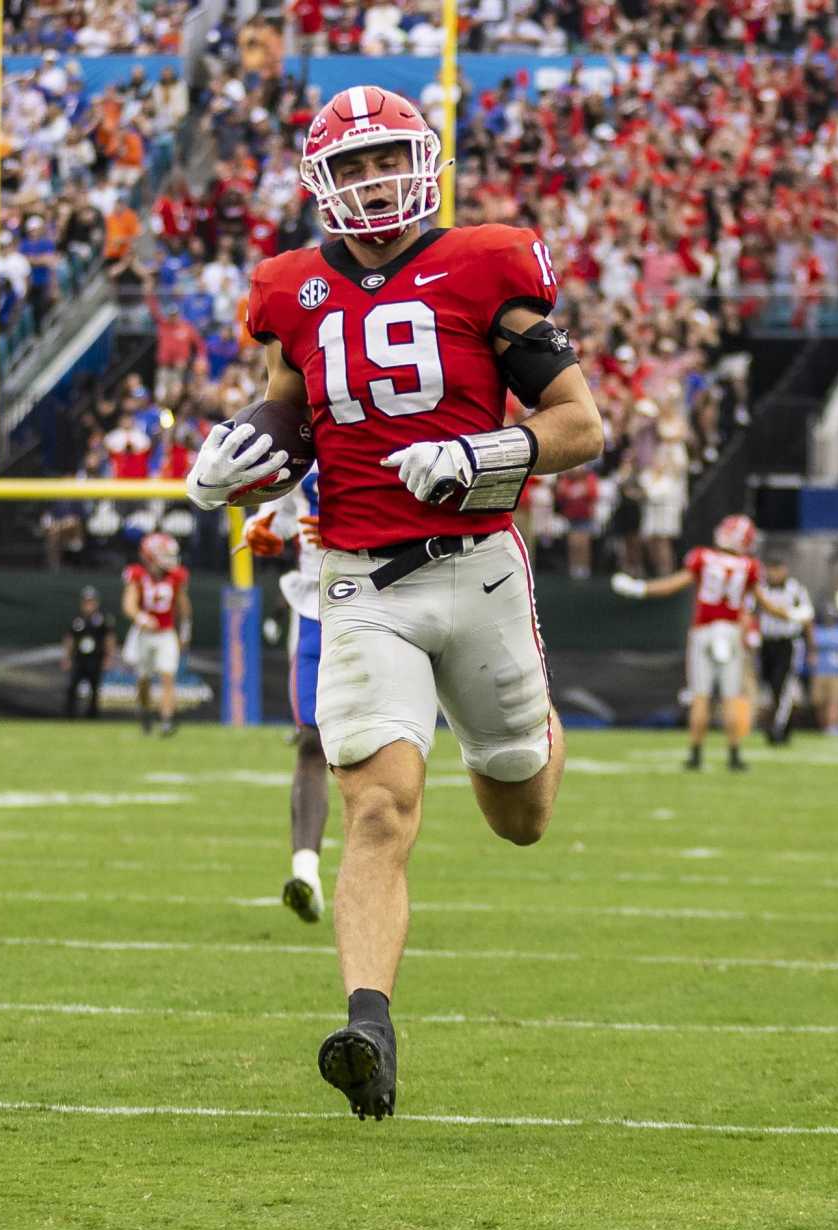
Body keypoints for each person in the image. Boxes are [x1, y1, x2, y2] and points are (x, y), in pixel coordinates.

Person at [190, 85, 604, 1120]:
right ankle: (366, 1025)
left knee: (518, 813)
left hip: (477, 568)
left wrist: (479, 452)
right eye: (352, 167)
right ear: (321, 185)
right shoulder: (288, 290)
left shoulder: (484, 264)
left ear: (420, 165)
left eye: (386, 160)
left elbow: (578, 424)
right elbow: (290, 415)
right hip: (357, 581)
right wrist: (236, 460)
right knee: (377, 807)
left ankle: (529, 725)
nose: (372, 182)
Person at [611, 514, 801, 771]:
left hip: (704, 631)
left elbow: (672, 585)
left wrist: (639, 589)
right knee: (730, 696)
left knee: (701, 696)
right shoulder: (748, 566)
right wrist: (792, 614)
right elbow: (766, 604)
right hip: (731, 631)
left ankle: (696, 755)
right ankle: (733, 755)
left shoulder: (702, 557)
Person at [246, 468, 330, 921]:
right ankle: (307, 873)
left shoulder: (393, 417)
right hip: (317, 605)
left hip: (385, 598)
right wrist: (258, 528)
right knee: (311, 740)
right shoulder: (299, 427)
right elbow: (276, 515)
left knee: (385, 752)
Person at [121, 532, 189, 737]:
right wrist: (141, 618)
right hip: (144, 634)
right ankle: (144, 713)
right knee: (144, 679)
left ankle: (167, 720)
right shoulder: (137, 574)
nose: (170, 559)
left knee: (168, 676)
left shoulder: (176, 576)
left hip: (166, 633)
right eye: (165, 554)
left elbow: (184, 607)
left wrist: (185, 631)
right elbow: (129, 605)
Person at [754, 552, 815, 746]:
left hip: (788, 642)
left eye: (777, 570)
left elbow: (807, 618)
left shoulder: (796, 589)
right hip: (767, 642)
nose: (774, 574)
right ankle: (776, 725)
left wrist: (812, 648)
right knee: (770, 685)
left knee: (784, 685)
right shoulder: (761, 589)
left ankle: (779, 729)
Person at [64, 586, 111, 719]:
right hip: (79, 658)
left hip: (95, 658)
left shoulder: (102, 619)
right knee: (73, 686)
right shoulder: (77, 619)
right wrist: (67, 657)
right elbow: (70, 638)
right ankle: (69, 714)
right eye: (87, 601)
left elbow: (109, 638)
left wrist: (108, 657)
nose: (89, 605)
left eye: (92, 601)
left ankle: (92, 715)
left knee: (94, 688)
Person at [809, 608, 838, 736]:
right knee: (819, 701)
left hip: (837, 672)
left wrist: (824, 643)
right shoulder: (817, 630)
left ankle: (834, 726)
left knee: (835, 701)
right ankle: (823, 727)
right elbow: (814, 642)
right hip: (819, 671)